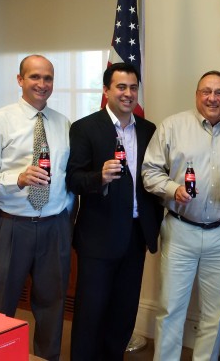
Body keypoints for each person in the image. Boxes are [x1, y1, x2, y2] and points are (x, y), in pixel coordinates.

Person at [142, 70, 220, 361]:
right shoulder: (172, 126)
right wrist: (172, 188)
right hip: (181, 229)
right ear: (197, 94)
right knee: (170, 309)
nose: (212, 98)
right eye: (206, 91)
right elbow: (149, 172)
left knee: (214, 313)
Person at [0, 54, 74, 361]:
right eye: (34, 77)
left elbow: (68, 177)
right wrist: (16, 178)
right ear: (20, 80)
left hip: (54, 227)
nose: (42, 84)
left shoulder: (63, 124)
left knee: (52, 307)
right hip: (11, 226)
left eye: (48, 79)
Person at [66, 62, 163, 360]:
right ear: (106, 90)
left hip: (135, 235)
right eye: (121, 87)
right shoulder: (85, 127)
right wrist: (99, 178)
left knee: (124, 312)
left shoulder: (148, 129)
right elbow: (72, 178)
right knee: (91, 313)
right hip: (98, 235)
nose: (128, 93)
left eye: (133, 87)